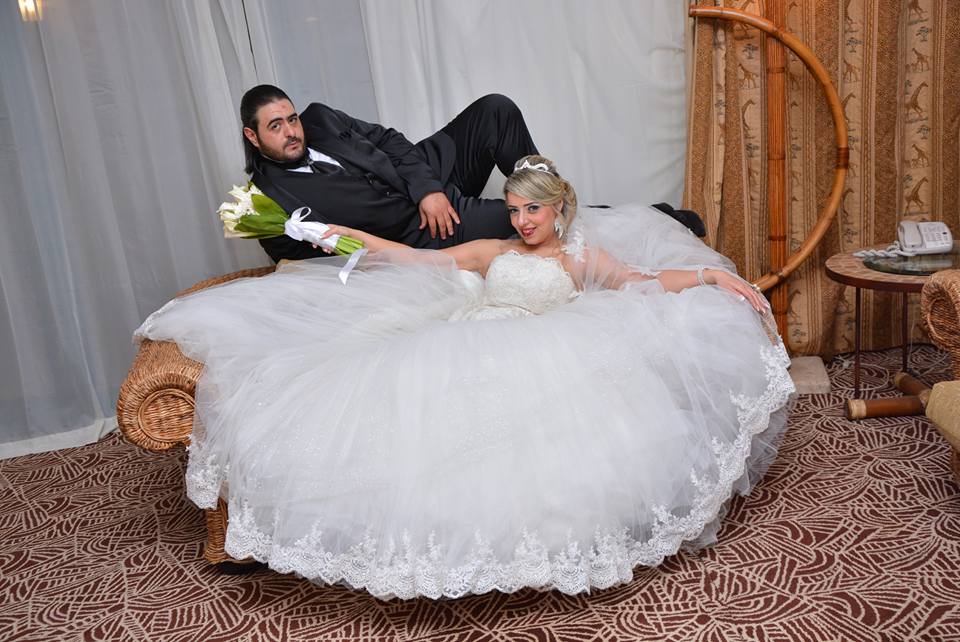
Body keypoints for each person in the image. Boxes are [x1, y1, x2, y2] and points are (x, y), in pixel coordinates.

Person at [137, 155, 794, 599]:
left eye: (532, 211)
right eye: (514, 209)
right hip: (465, 340)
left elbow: (644, 281)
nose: (522, 221)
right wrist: (339, 238)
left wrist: (711, 275)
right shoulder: (492, 251)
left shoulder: (580, 259)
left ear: (558, 209)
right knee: (402, 420)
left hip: (545, 355)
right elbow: (412, 259)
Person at [240, 85, 539, 262]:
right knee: (529, 219)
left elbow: (389, 139)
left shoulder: (320, 117)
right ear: (252, 136)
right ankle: (554, 213)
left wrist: (428, 189)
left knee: (496, 108)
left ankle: (547, 190)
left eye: (292, 119)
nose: (291, 132)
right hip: (424, 230)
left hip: (429, 170)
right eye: (276, 126)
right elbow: (305, 267)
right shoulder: (264, 201)